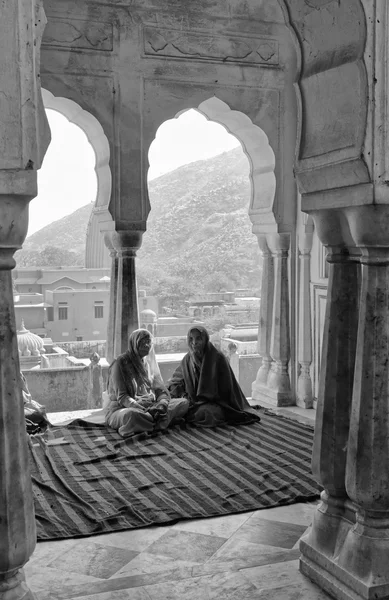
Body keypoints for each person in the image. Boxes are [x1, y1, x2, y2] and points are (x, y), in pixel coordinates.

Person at [168, 325, 261, 427]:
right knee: (176, 405)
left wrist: (205, 398)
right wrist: (183, 395)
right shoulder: (187, 359)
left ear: (205, 339)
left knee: (208, 413)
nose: (194, 342)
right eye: (191, 339)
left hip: (217, 402)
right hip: (193, 401)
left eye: (198, 338)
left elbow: (226, 390)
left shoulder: (217, 358)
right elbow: (176, 380)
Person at [105, 328, 189, 437]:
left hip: (151, 407)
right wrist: (144, 409)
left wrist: (162, 405)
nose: (146, 345)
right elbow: (122, 397)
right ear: (133, 344)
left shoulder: (147, 364)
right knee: (131, 416)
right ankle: (157, 422)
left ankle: (150, 423)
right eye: (142, 342)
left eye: (148, 342)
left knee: (184, 403)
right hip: (125, 409)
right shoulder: (120, 363)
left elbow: (159, 389)